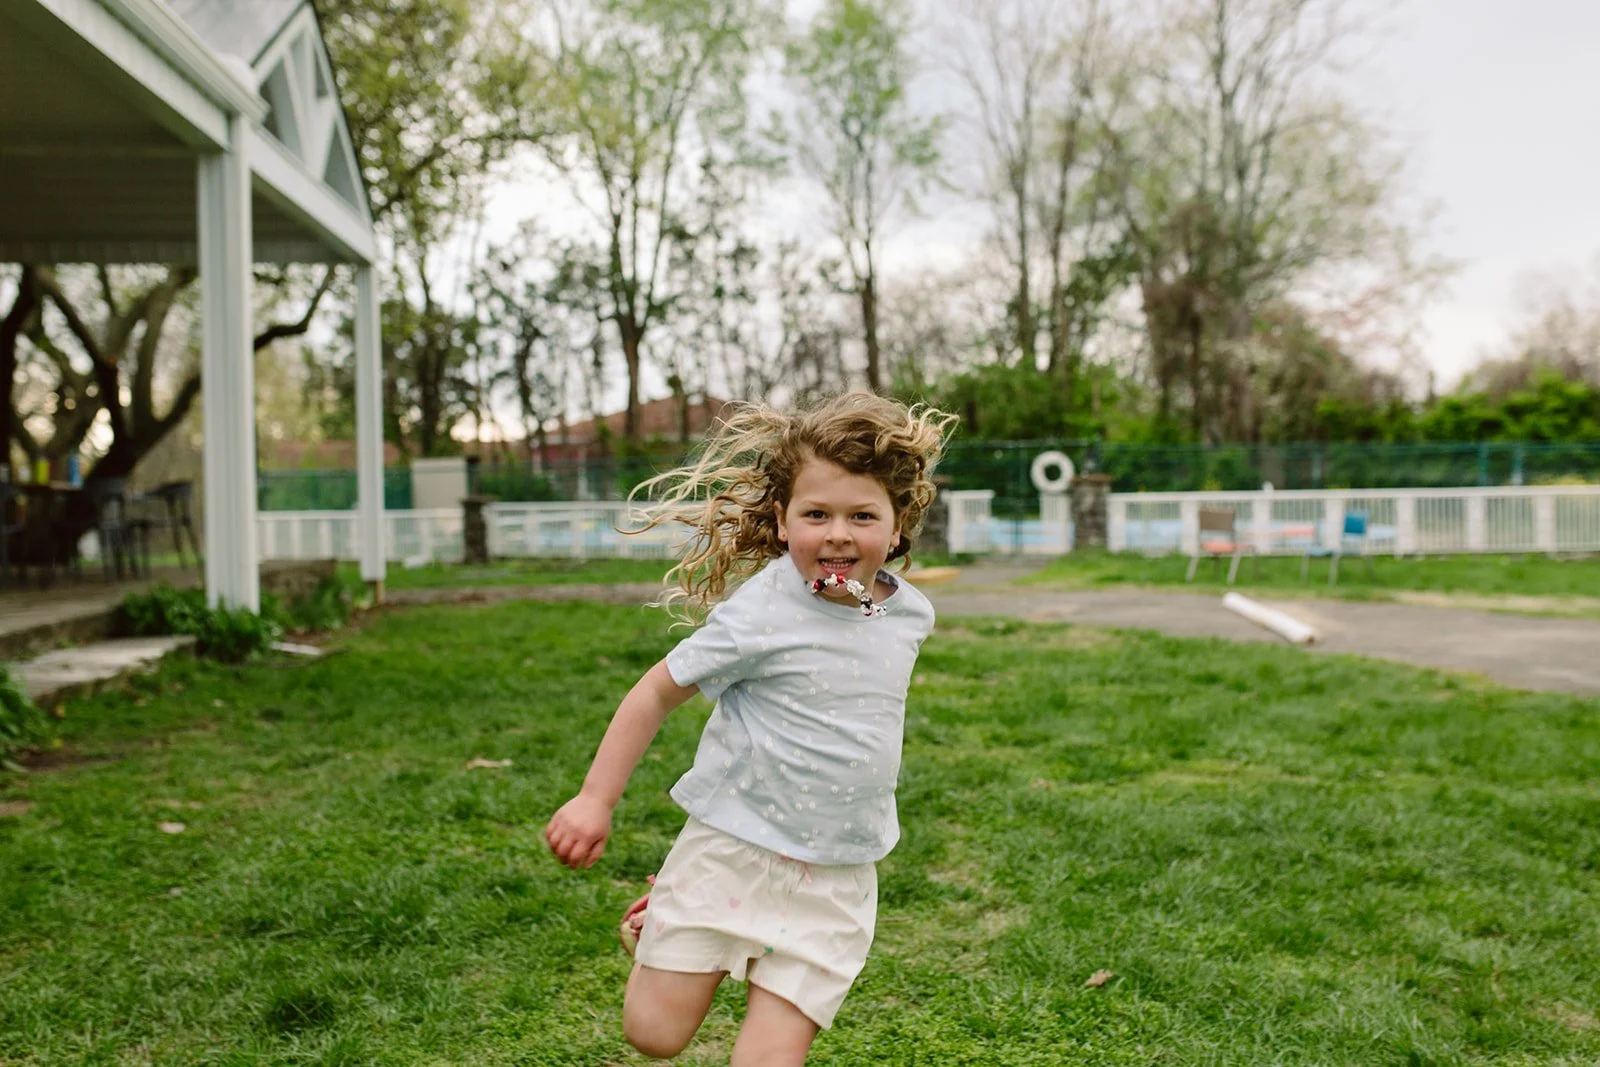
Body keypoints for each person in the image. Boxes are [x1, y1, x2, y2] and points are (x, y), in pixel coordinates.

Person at [544, 392, 958, 1064]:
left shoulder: (911, 614)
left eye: (863, 515)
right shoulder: (761, 610)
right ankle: (672, 907)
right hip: (732, 848)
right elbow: (654, 692)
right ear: (782, 517)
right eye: (816, 514)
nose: (838, 534)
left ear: (898, 522)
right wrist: (595, 798)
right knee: (653, 1034)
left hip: (837, 873)